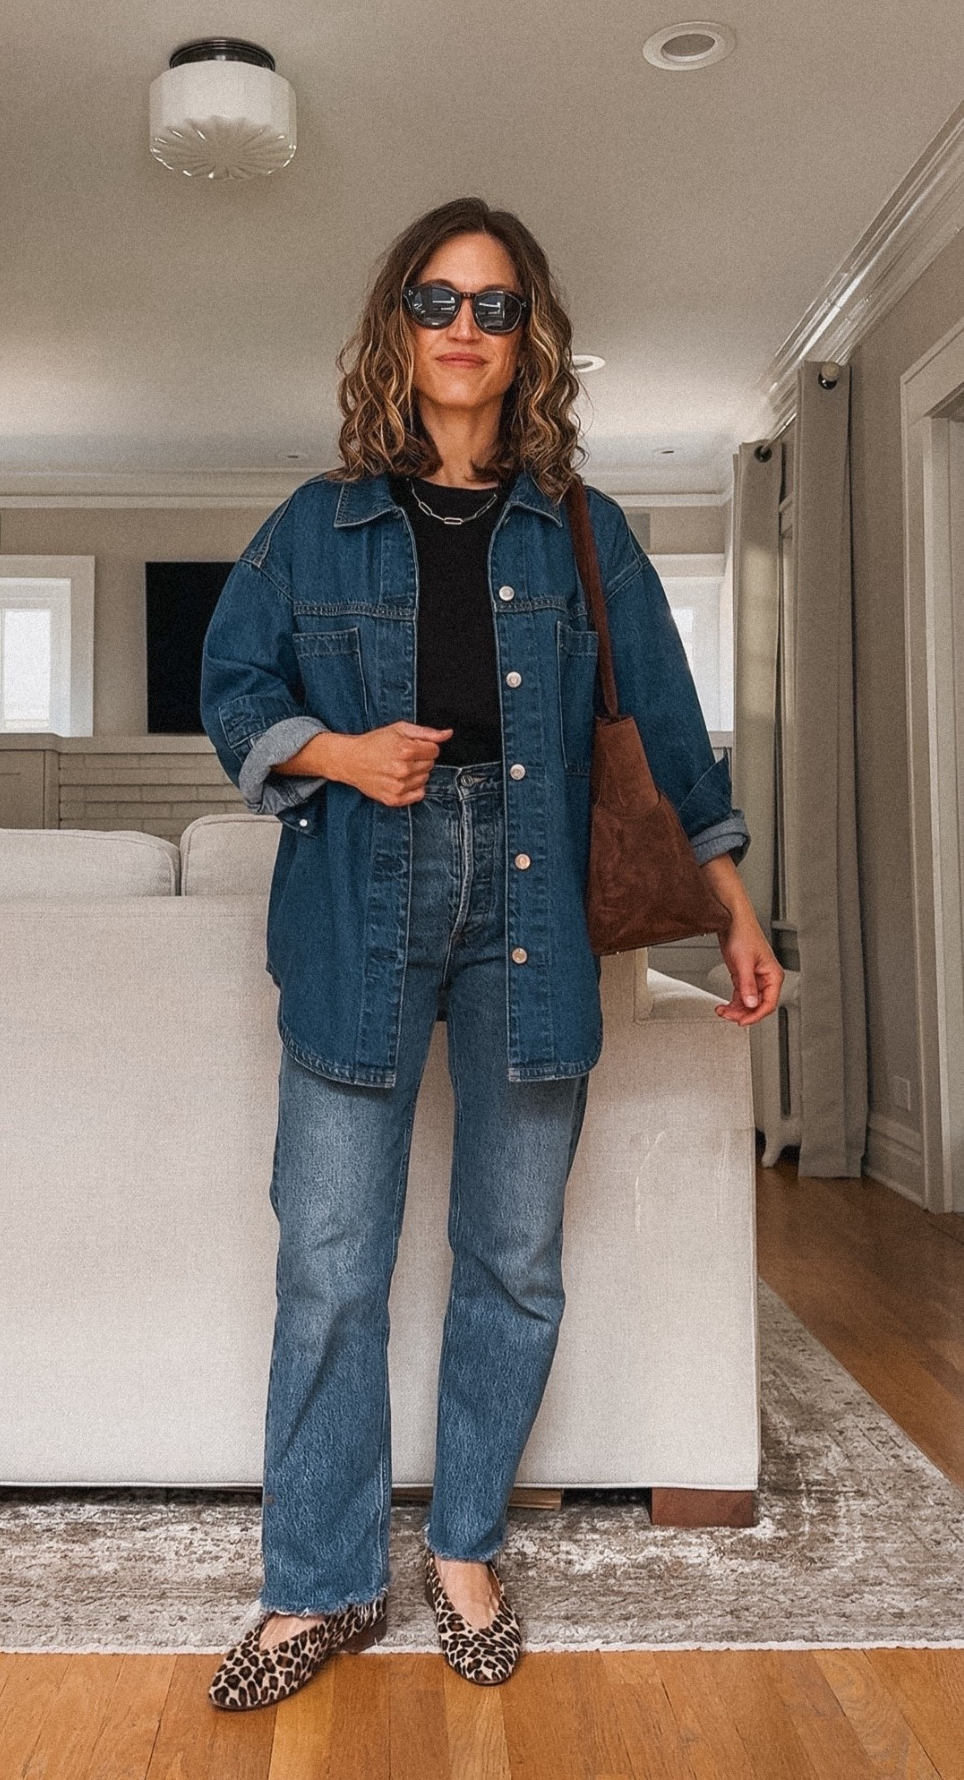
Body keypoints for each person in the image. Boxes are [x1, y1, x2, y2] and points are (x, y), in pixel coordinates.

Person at [200, 197, 782, 1710]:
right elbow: (231, 691)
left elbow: (664, 734)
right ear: (399, 323)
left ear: (531, 342)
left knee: (512, 1260)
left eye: (496, 306)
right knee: (330, 1265)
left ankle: (464, 1553)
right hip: (357, 905)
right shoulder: (310, 525)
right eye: (438, 298)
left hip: (528, 914)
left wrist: (732, 908)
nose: (465, 327)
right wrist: (336, 749)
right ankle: (317, 1587)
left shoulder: (584, 533)